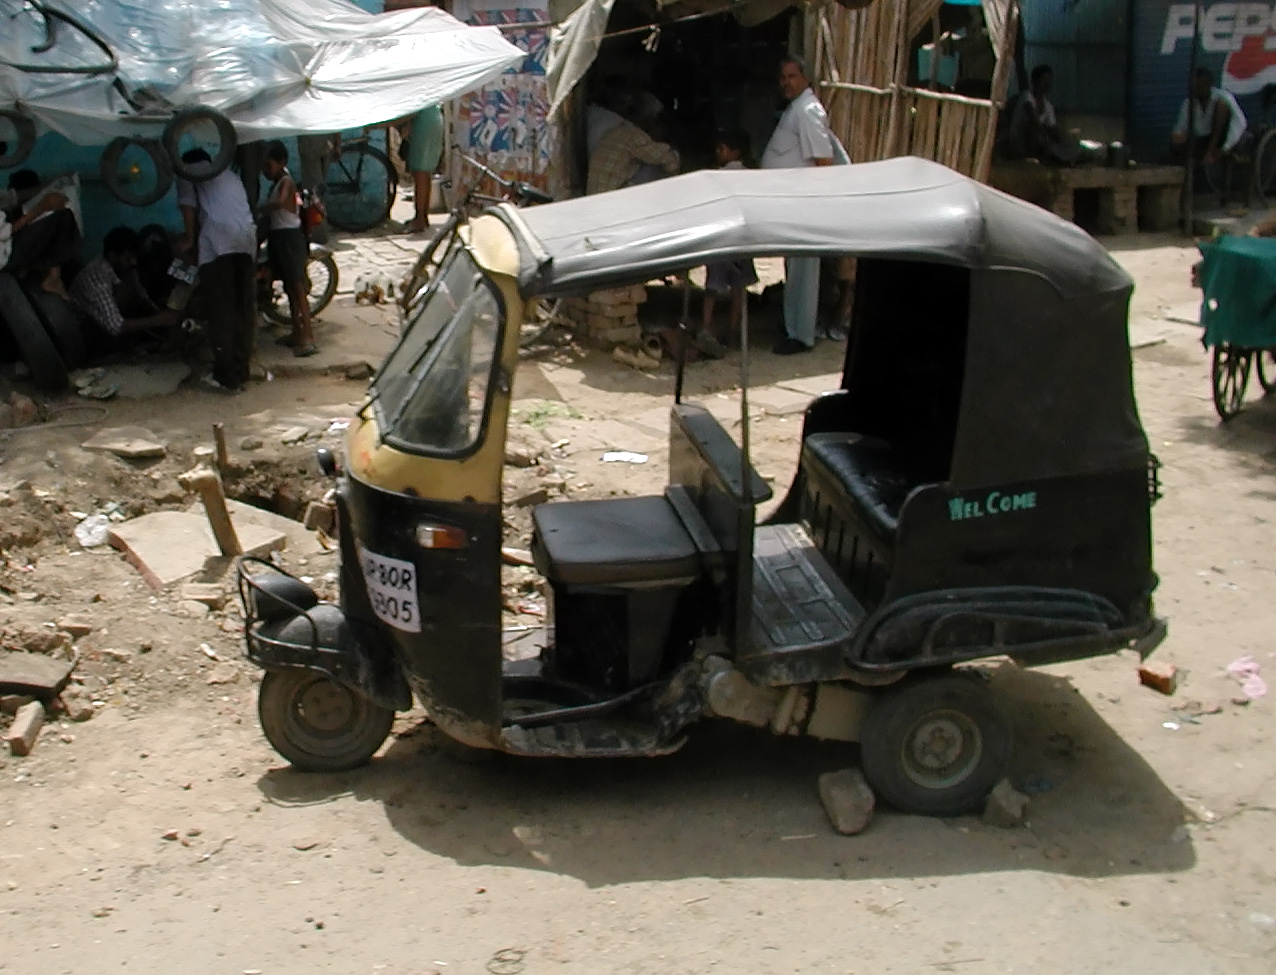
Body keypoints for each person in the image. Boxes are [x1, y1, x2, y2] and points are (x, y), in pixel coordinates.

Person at [761, 55, 836, 355]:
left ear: (805, 78)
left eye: (792, 76)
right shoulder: (796, 110)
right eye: (783, 78)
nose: (786, 83)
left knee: (804, 271)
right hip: (792, 203)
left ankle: (801, 335)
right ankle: (793, 325)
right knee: (795, 268)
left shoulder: (808, 111)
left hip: (804, 203)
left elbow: (824, 161)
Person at [176, 147, 258, 392]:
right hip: (246, 241)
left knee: (221, 310)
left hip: (218, 242)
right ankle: (242, 370)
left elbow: (188, 208)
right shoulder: (229, 175)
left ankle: (226, 376)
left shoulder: (186, 173)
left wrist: (189, 239)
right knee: (242, 308)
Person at [697, 127, 758, 358]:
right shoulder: (750, 176)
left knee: (713, 287)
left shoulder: (719, 176)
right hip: (742, 238)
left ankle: (706, 327)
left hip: (721, 239)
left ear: (735, 152)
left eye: (722, 148)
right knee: (738, 288)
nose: (718, 152)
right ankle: (733, 332)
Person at [69, 226, 177, 340]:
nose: (133, 262)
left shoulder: (124, 267)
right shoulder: (96, 281)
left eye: (134, 257)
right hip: (82, 334)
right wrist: (158, 320)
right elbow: (116, 327)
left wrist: (158, 312)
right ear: (112, 256)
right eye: (128, 258)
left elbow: (140, 294)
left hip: (106, 320)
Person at [260, 141, 316, 357]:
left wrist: (258, 209)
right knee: (289, 288)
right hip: (278, 237)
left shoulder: (286, 182)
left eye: (269, 166)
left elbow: (281, 203)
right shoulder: (277, 182)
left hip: (289, 239)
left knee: (298, 288)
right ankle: (296, 332)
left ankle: (308, 336)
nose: (266, 171)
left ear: (281, 162)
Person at [1, 168, 81, 295]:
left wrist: (55, 182)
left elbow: (13, 197)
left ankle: (35, 268)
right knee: (63, 216)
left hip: (9, 249)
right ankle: (53, 276)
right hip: (7, 255)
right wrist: (40, 208)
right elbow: (6, 233)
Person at [586, 111, 679, 195]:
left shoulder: (614, 132)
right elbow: (666, 158)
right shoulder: (632, 135)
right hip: (616, 197)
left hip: (598, 198)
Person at [1171, 67, 1249, 169]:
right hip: (1203, 139)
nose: (1195, 90)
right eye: (1194, 87)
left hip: (1226, 139)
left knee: (1222, 106)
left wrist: (1224, 148)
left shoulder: (1224, 97)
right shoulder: (1189, 103)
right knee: (1175, 144)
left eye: (1199, 87)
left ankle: (1210, 153)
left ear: (1208, 86)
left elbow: (1239, 124)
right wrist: (1178, 138)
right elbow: (1179, 129)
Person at [1007, 65, 1071, 163]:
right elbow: (1033, 119)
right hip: (1019, 141)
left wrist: (1061, 138)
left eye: (1049, 80)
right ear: (1034, 81)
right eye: (1044, 79)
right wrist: (1046, 139)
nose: (1047, 84)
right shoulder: (1026, 97)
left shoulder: (1048, 105)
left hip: (1035, 141)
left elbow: (1052, 128)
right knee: (1035, 130)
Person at [402, 104, 444, 233]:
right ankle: (422, 216)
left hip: (423, 122)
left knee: (420, 172)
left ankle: (419, 220)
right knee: (425, 172)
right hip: (433, 118)